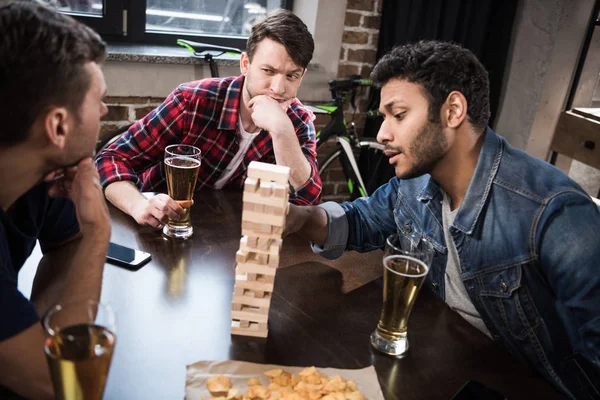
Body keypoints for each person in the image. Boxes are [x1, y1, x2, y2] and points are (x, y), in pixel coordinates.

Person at [287, 40, 600, 399]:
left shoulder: (555, 214)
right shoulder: (415, 185)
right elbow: (360, 221)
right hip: (446, 362)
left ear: (453, 111)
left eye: (399, 115)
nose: (383, 134)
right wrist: (300, 217)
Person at [95, 9, 322, 230]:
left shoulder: (297, 121)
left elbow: (307, 202)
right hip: (158, 229)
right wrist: (139, 206)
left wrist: (281, 131)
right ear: (245, 64)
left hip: (227, 240)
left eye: (292, 75)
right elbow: (111, 158)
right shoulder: (194, 101)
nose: (278, 88)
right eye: (268, 71)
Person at [0, 2, 110, 398]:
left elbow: (67, 242)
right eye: (98, 101)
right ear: (58, 125)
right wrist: (98, 231)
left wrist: (30, 332)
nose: (105, 111)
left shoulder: (42, 171)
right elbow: (65, 385)